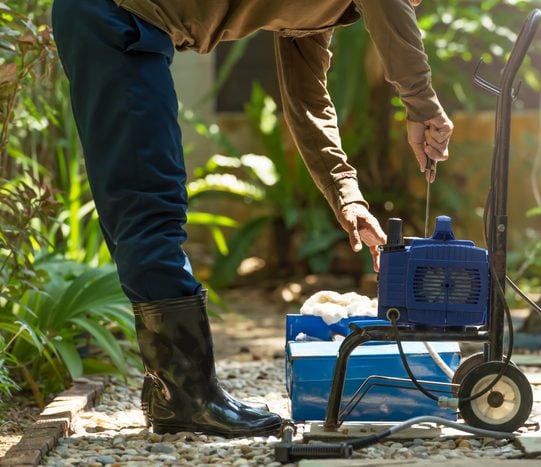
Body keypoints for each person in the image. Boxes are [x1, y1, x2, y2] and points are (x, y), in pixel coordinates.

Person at [51, 0, 453, 438]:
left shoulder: (324, 11)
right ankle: (188, 398)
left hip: (132, 28)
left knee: (145, 197)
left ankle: (171, 392)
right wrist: (423, 106)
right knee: (149, 201)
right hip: (113, 16)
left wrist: (348, 198)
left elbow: (308, 101)